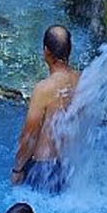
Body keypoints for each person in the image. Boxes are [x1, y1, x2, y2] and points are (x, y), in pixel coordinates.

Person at [12, 25, 79, 192]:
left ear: (46, 51)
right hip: (70, 167)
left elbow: (29, 134)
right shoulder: (82, 80)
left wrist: (17, 169)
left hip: (43, 169)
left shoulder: (44, 89)